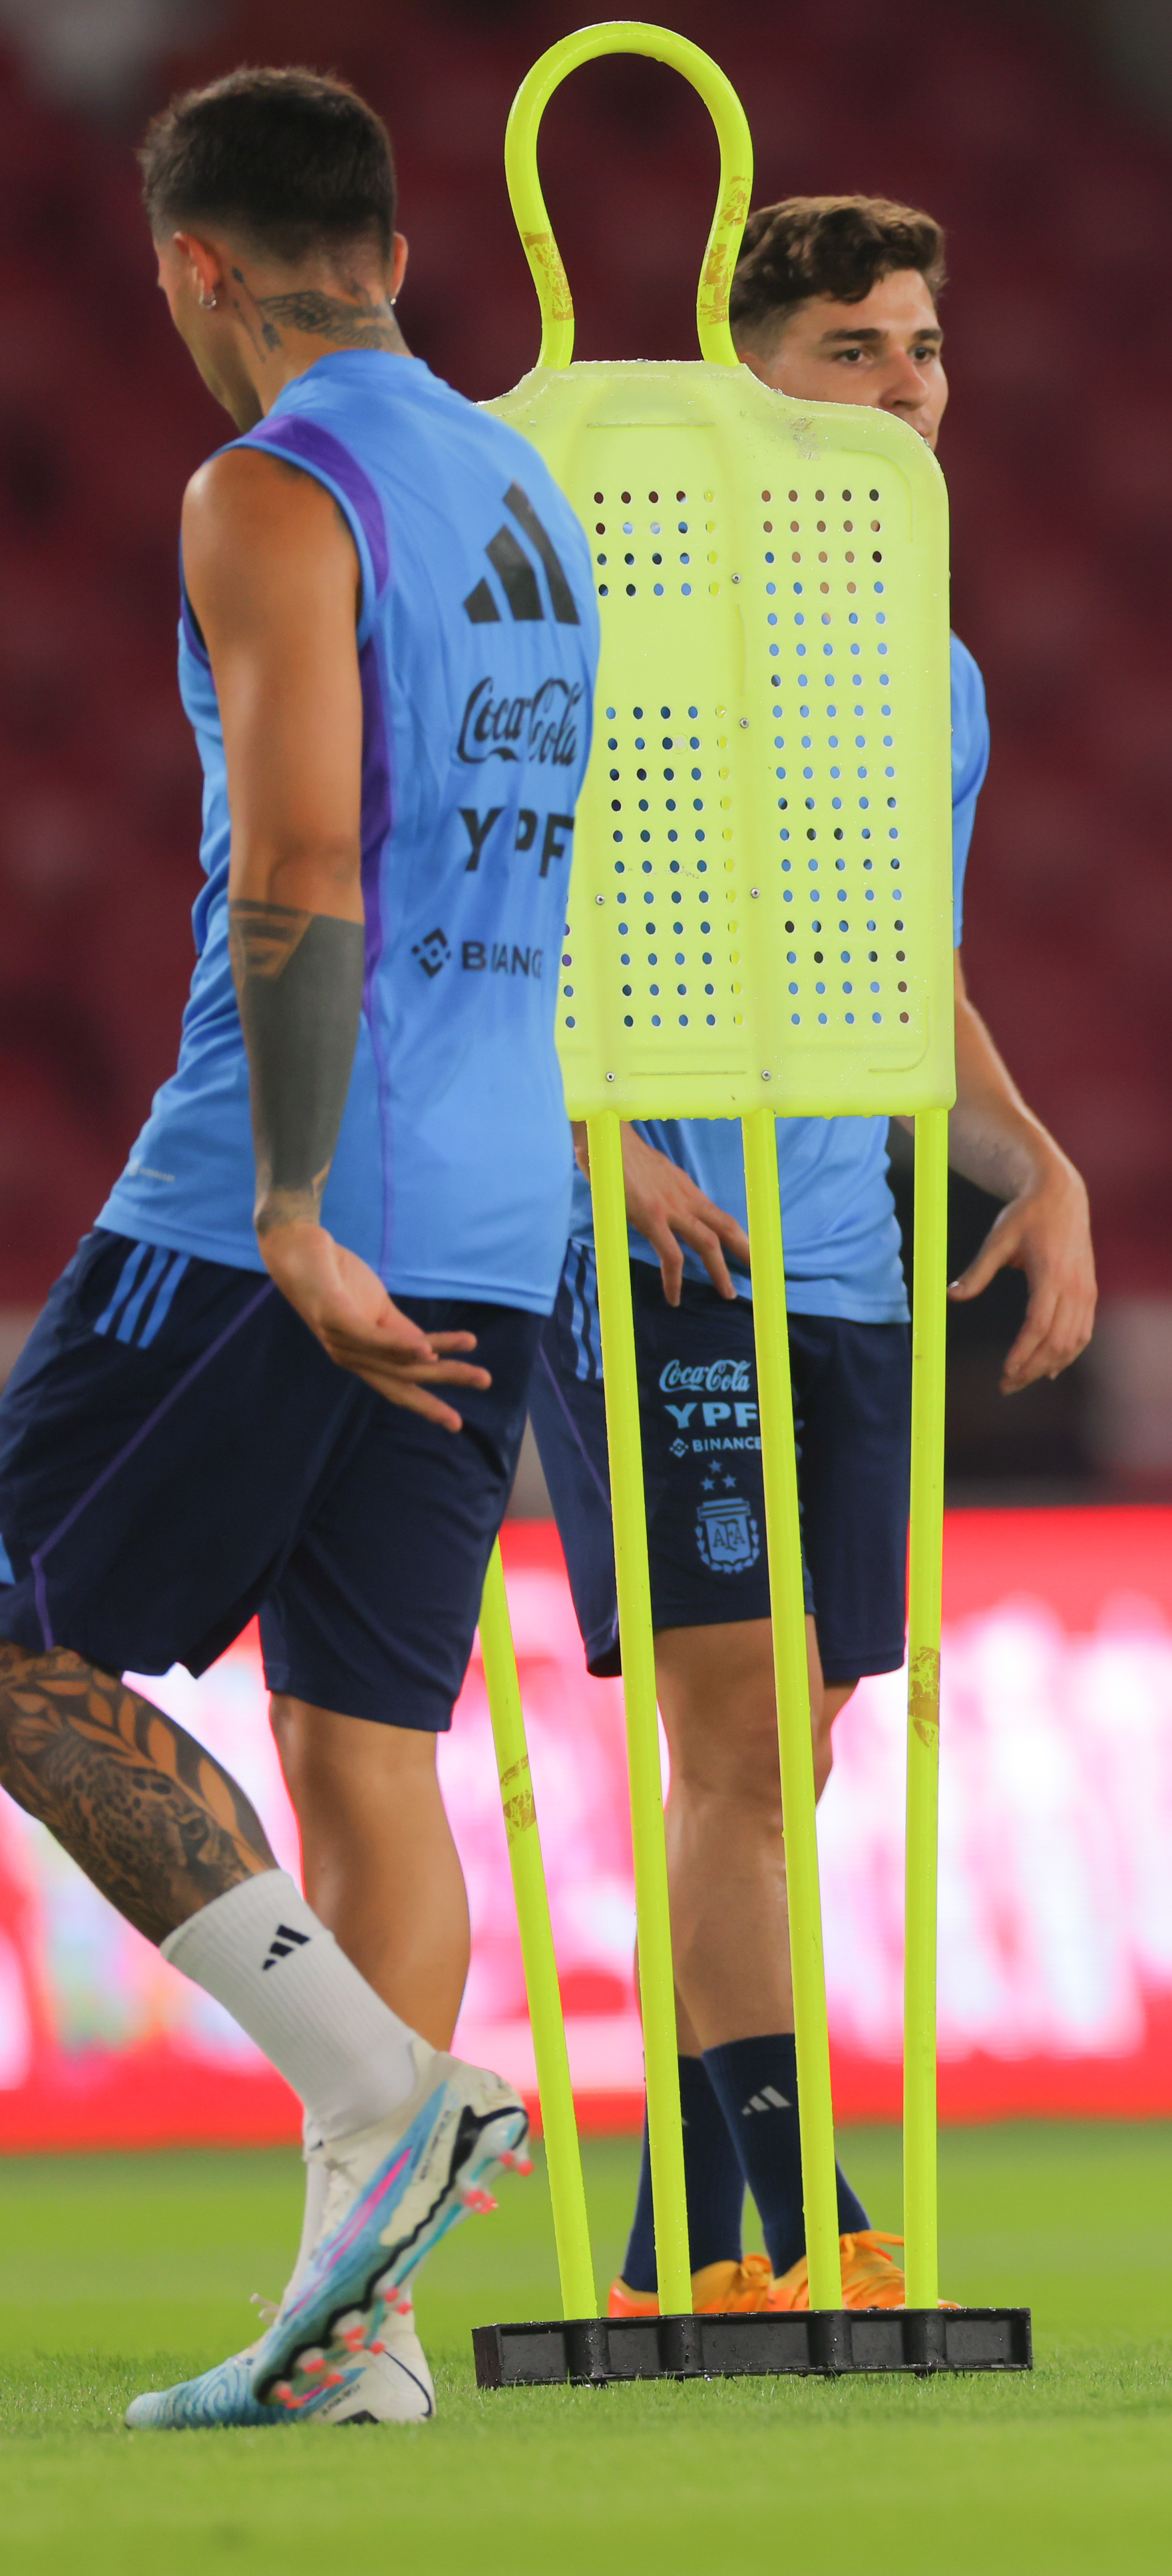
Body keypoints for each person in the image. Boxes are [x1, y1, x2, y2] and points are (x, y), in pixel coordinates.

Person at [0, 67, 586, 2422]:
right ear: (402, 257)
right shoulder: (516, 484)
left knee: (15, 1643)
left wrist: (287, 1203)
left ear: (195, 270)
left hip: (292, 1209)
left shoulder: (272, 489)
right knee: (369, 1748)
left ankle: (392, 2096)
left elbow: (311, 865)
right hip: (501, 1203)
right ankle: (365, 2333)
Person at [526, 193, 1095, 2319]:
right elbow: (492, 925)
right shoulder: (611, 617)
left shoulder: (925, 666)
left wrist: (1037, 1153)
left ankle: (695, 2221)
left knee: (799, 1739)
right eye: (854, 350)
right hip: (661, 1248)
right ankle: (794, 2207)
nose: (905, 391)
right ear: (744, 377)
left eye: (925, 350)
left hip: (847, 1255)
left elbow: (902, 970)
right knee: (747, 1737)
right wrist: (593, 1148)